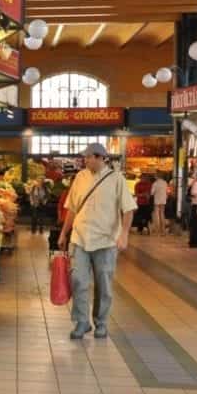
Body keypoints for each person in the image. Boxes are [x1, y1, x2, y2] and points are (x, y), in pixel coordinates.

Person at [58, 143, 136, 340]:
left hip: (106, 241)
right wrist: (63, 233)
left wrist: (124, 234)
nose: (85, 160)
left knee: (104, 284)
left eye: (88, 157)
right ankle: (82, 322)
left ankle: (101, 322)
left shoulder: (117, 179)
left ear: (100, 157)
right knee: (78, 281)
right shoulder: (80, 177)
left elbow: (128, 209)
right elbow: (72, 208)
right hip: (80, 238)